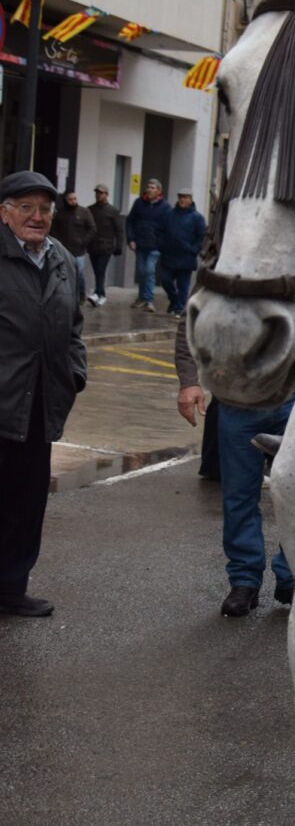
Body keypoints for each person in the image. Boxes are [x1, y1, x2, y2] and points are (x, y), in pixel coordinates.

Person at [0, 171, 88, 616]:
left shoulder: (64, 261)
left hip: (40, 403)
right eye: (26, 207)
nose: (37, 217)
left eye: (45, 209)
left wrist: (74, 374)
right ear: (5, 213)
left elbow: (74, 328)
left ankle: (11, 588)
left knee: (26, 500)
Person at [175, 318, 295, 616]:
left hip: (294, 401)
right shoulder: (222, 268)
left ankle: (292, 577)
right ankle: (244, 581)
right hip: (237, 403)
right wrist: (189, 382)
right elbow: (193, 320)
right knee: (238, 496)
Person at [158, 189, 207, 317]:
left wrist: (193, 249)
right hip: (169, 255)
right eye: (180, 197)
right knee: (165, 280)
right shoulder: (169, 214)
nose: (182, 200)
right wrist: (162, 245)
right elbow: (161, 231)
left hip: (186, 257)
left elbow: (201, 237)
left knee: (183, 286)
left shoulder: (197, 217)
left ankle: (180, 309)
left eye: (185, 197)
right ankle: (174, 301)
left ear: (191, 200)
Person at [125, 178, 171, 312]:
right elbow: (130, 221)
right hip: (140, 244)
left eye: (153, 187)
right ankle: (141, 297)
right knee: (141, 271)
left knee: (149, 271)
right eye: (148, 187)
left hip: (155, 246)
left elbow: (167, 227)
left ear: (159, 191)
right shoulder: (139, 203)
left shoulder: (165, 207)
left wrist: (161, 243)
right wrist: (130, 239)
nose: (149, 189)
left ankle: (149, 300)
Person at [50, 188, 96, 304]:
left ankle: (81, 293)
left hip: (78, 249)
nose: (73, 201)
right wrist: (57, 242)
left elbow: (92, 228)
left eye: (75, 199)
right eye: (70, 199)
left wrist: (84, 241)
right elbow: (52, 228)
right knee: (62, 272)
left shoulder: (84, 212)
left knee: (79, 273)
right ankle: (66, 294)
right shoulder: (59, 213)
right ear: (65, 200)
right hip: (62, 248)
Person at [85, 184, 124, 305]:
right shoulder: (90, 209)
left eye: (101, 193)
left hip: (106, 246)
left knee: (101, 269)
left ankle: (98, 293)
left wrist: (119, 246)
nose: (98, 195)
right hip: (93, 246)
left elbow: (119, 230)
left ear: (106, 195)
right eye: (97, 193)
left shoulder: (112, 211)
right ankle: (100, 293)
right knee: (97, 270)